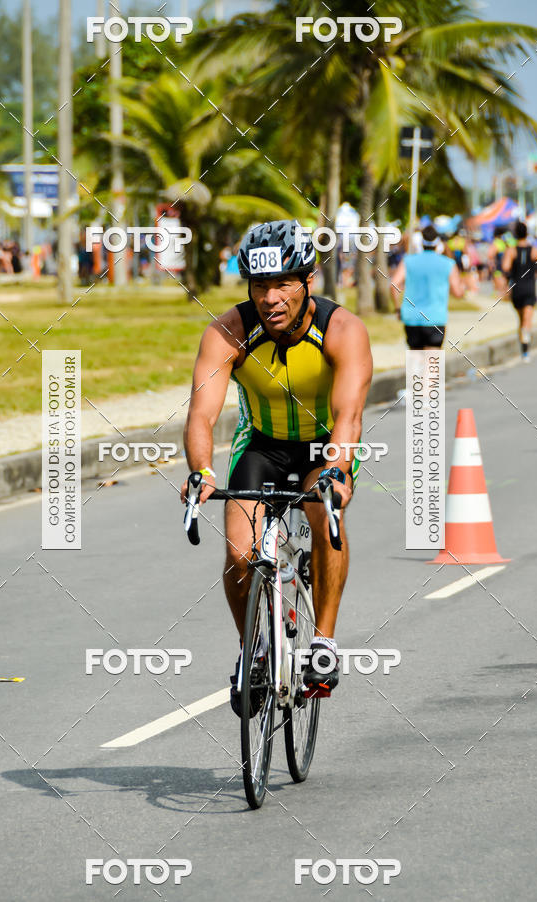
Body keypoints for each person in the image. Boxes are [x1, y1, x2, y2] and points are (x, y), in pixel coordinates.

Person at [180, 219, 372, 713]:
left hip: (321, 447)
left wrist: (337, 471)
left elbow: (349, 417)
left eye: (283, 284)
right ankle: (255, 652)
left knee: (323, 517)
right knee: (241, 552)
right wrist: (201, 470)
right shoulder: (230, 330)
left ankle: (324, 641)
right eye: (260, 285)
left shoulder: (343, 330)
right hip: (261, 445)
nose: (270, 298)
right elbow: (201, 413)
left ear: (307, 282)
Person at [390, 225, 465, 350]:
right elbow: (457, 292)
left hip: (412, 318)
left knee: (415, 365)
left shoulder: (408, 261)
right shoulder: (448, 263)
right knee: (432, 365)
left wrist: (398, 308)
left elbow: (394, 285)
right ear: (438, 243)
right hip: (435, 319)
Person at [501, 221, 537, 362]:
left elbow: (505, 268)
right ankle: (525, 349)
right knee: (527, 319)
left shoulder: (511, 250)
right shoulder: (535, 250)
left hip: (517, 289)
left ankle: (523, 346)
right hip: (529, 288)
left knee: (521, 319)